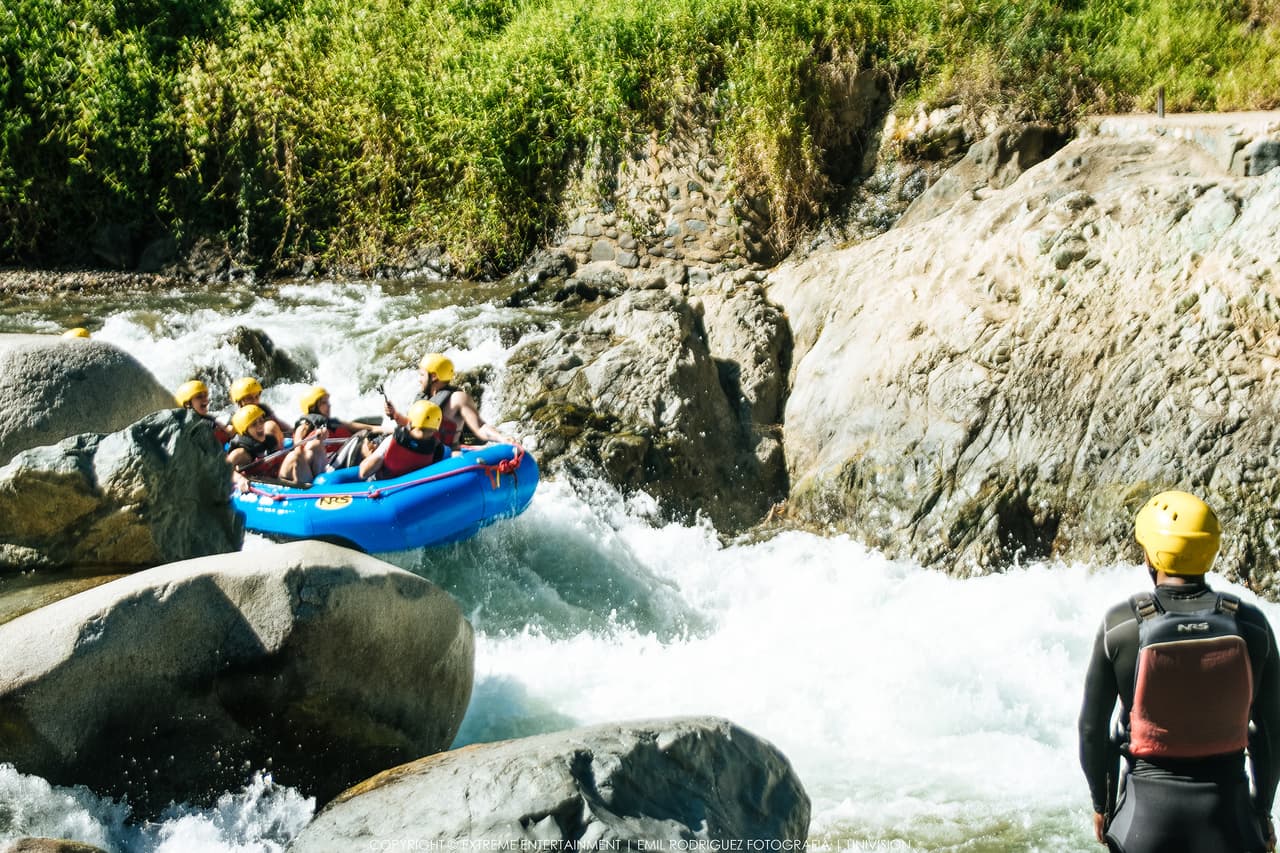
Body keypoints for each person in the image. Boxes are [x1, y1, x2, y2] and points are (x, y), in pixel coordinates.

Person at [1079, 490, 1280, 853]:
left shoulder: (1123, 626)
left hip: (1144, 825)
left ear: (1152, 556)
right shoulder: (1252, 625)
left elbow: (1093, 730)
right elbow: (1271, 731)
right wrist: (1262, 811)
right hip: (1231, 821)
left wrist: (1103, 807)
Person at [383, 353, 508, 450]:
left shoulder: (457, 399)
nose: (419, 380)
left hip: (443, 456)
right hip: (418, 451)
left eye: (422, 375)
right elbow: (411, 427)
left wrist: (502, 439)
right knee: (373, 435)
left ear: (434, 376)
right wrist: (394, 415)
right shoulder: (423, 399)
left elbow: (480, 427)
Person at [360, 399, 446, 480]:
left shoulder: (394, 440)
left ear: (411, 420)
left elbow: (364, 473)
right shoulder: (438, 448)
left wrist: (367, 454)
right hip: (415, 488)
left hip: (385, 487)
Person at [298, 385, 380, 440]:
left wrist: (391, 431)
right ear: (312, 408)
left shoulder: (336, 423)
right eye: (324, 403)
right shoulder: (304, 427)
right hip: (329, 463)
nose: (329, 405)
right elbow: (297, 448)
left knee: (366, 433)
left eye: (328, 402)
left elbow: (372, 428)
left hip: (348, 457)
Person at [229, 376, 290, 446]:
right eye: (249, 398)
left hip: (267, 441)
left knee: (270, 425)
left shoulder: (262, 408)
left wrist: (292, 432)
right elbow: (232, 435)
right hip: (250, 446)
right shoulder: (236, 418)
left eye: (256, 397)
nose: (254, 401)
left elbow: (280, 424)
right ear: (239, 402)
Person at [174, 379, 231, 446]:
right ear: (187, 404)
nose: (205, 400)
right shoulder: (190, 425)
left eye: (205, 396)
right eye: (199, 397)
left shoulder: (207, 417)